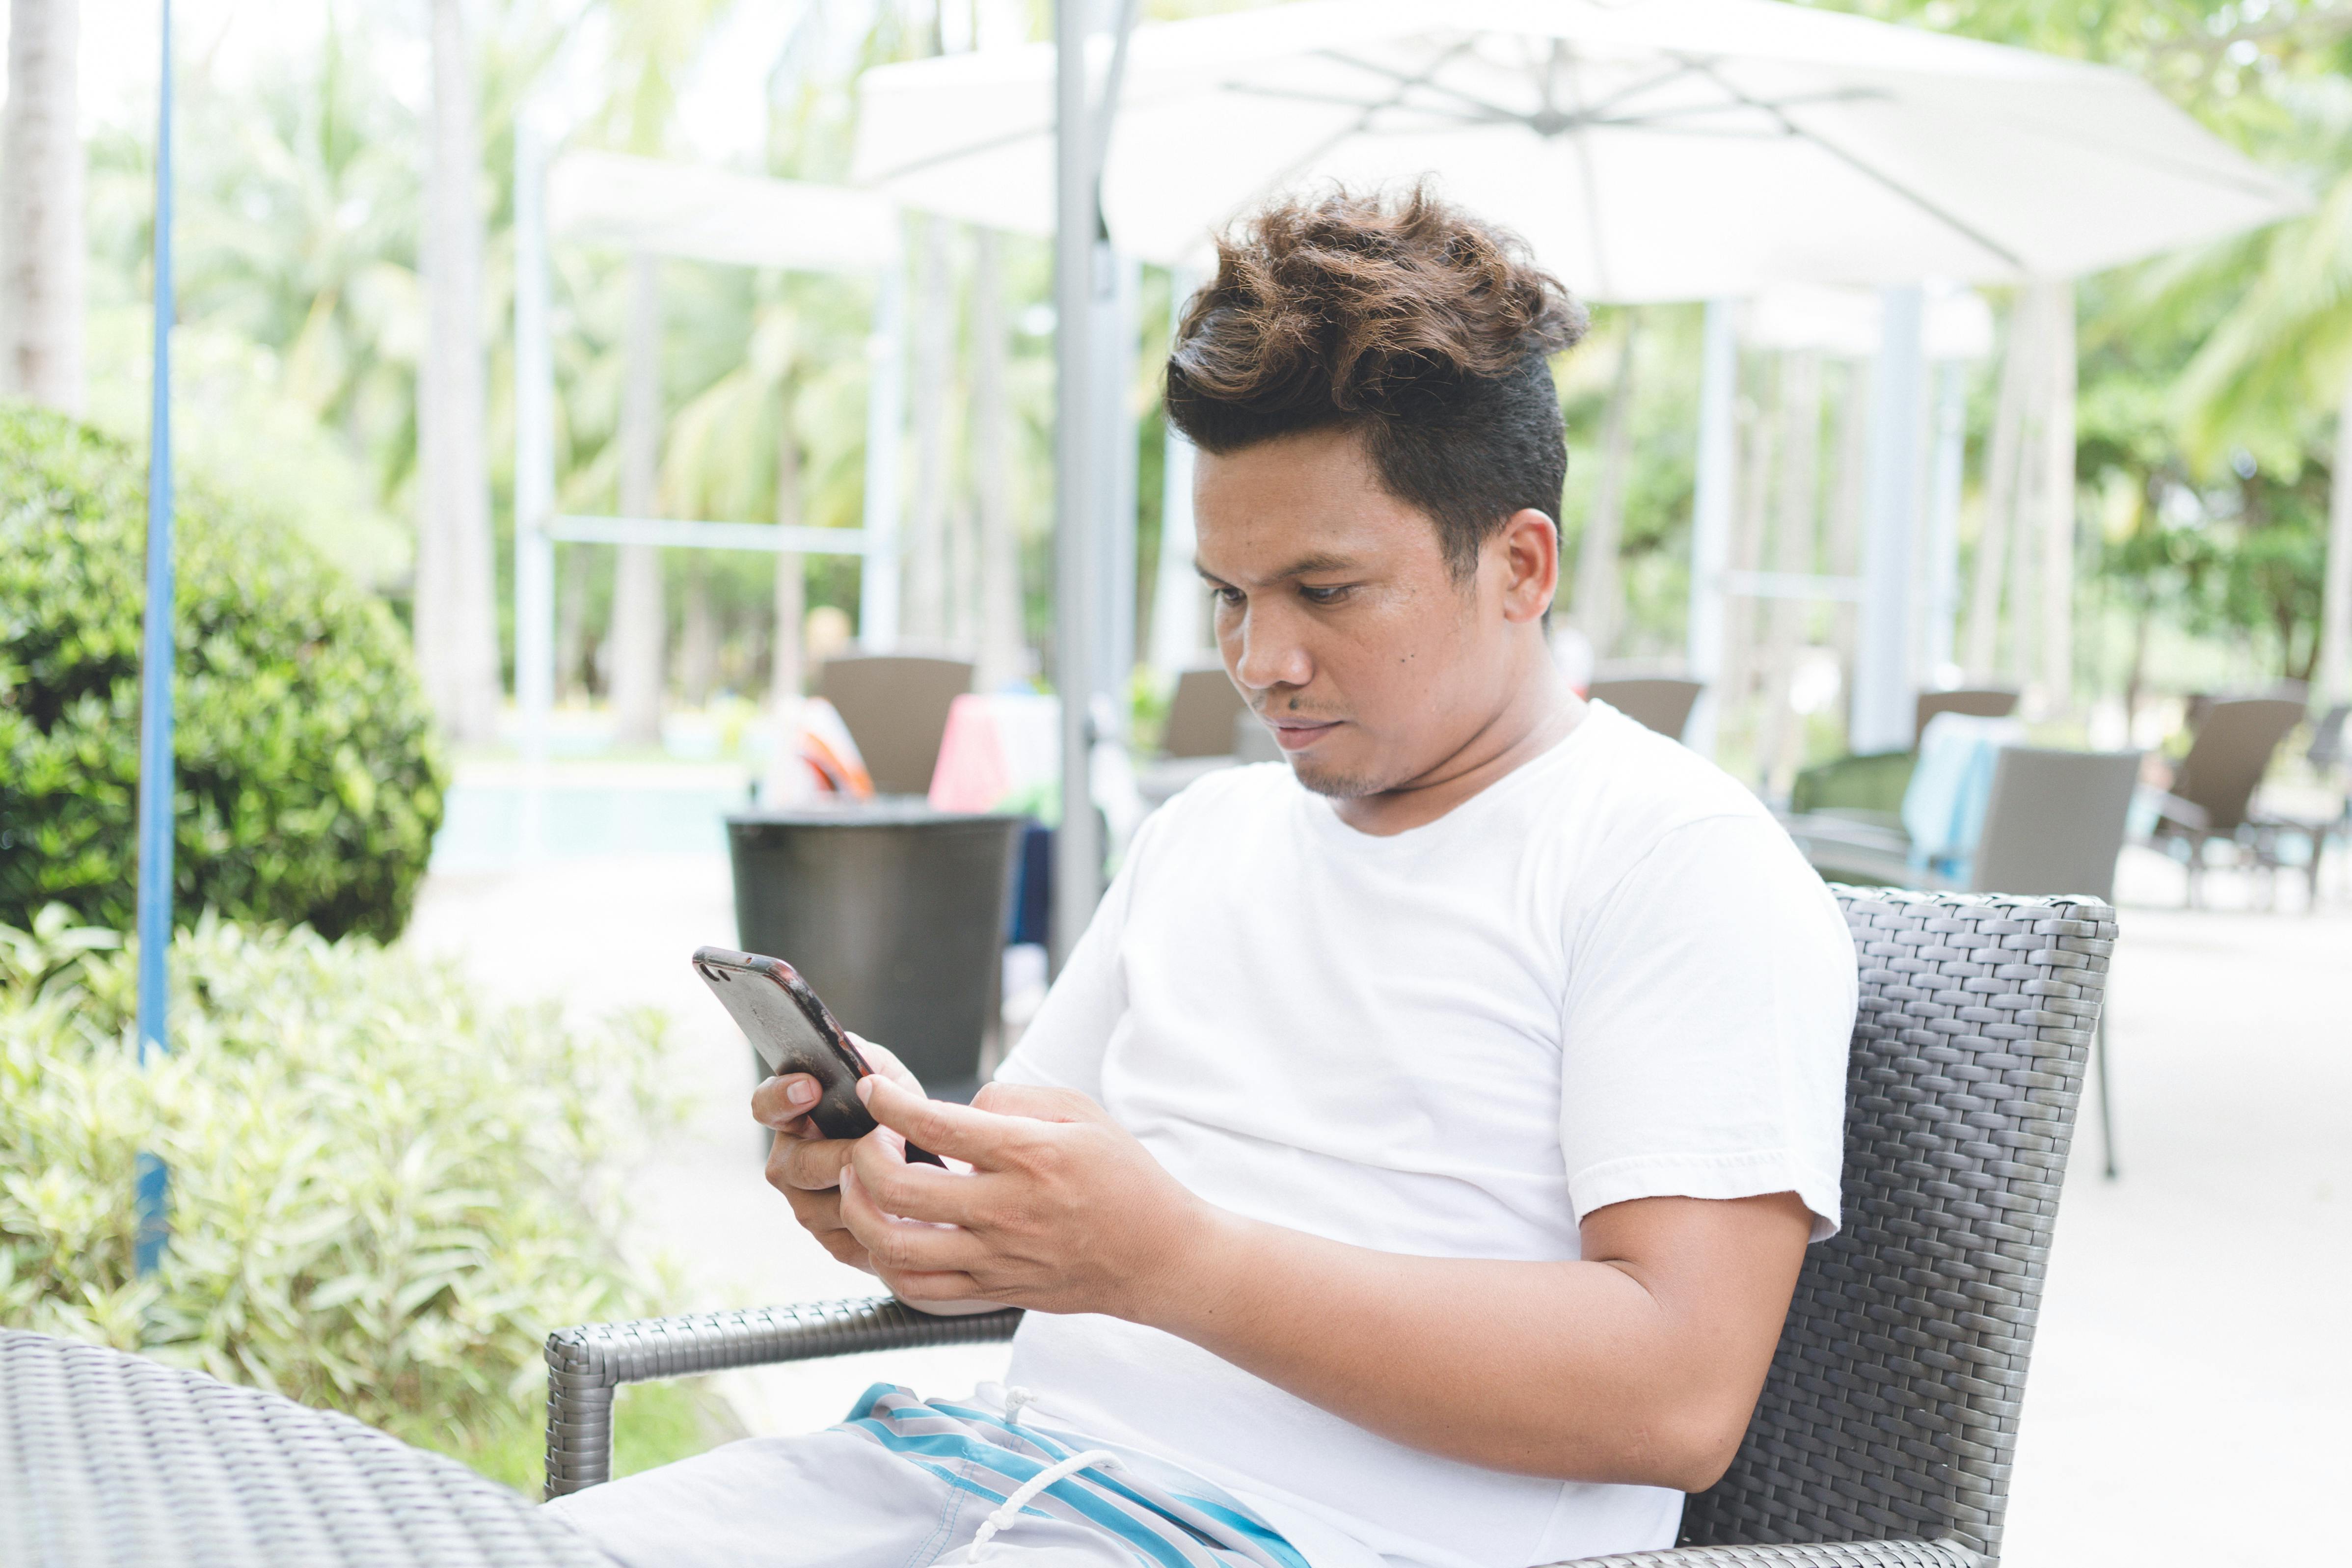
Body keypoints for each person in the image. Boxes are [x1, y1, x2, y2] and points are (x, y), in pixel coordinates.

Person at [547, 186, 1856, 1568]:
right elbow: (1024, 1216)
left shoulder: (1675, 865)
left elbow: (1676, 1392)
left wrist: (1172, 1262)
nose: (1259, 658)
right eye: (1228, 593)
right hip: (965, 1472)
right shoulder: (1204, 836)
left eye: (1326, 590)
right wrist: (889, 1190)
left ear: (1520, 565)